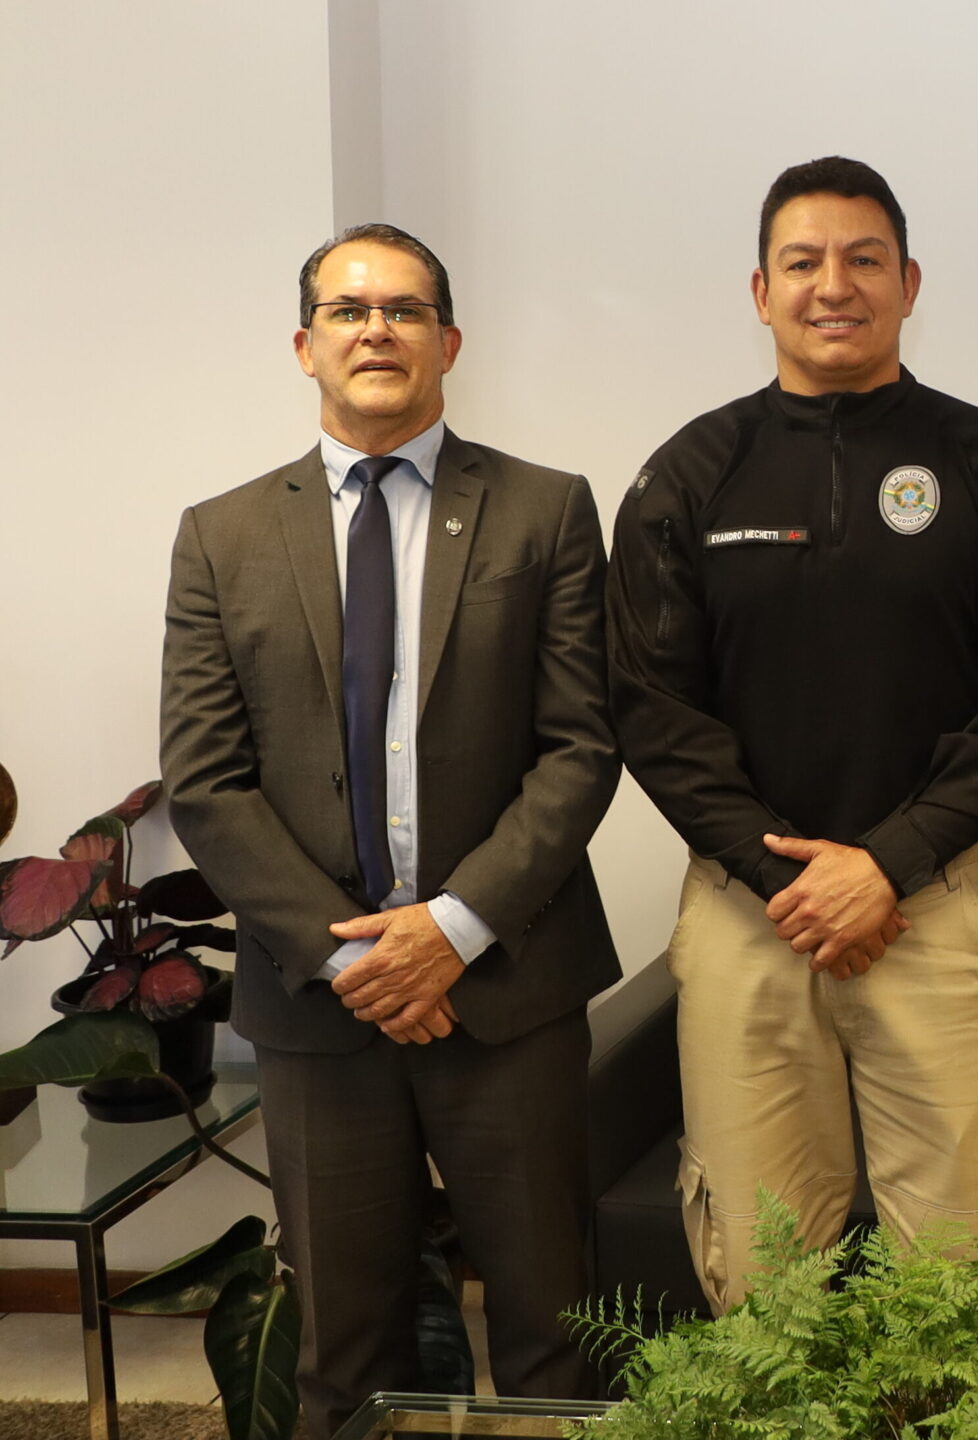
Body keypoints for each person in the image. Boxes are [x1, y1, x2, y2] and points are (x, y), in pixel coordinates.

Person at [161, 223, 619, 1437]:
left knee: (551, 1335)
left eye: (406, 309)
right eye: (351, 310)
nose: (378, 329)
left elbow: (580, 748)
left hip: (507, 990)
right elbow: (206, 778)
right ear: (304, 344)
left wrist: (452, 931)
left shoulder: (546, 510)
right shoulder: (224, 534)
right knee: (343, 1351)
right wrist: (362, 955)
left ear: (449, 343)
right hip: (324, 1005)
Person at [606, 157, 978, 1309]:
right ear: (759, 292)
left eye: (865, 259)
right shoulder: (686, 476)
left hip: (942, 905)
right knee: (762, 1278)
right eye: (803, 262)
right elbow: (651, 709)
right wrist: (787, 878)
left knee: (964, 1285)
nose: (835, 285)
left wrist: (889, 864)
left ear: (909, 282)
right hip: (743, 915)